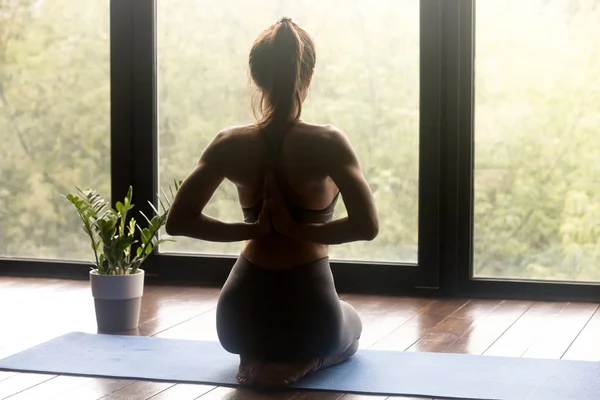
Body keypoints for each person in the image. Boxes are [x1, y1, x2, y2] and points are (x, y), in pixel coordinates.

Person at [165, 17, 379, 387]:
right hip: (311, 316)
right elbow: (367, 225)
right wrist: (299, 229)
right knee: (353, 325)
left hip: (236, 321)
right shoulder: (330, 142)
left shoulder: (229, 142)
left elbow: (178, 220)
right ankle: (305, 362)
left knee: (291, 328)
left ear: (256, 76)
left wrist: (252, 229)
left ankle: (257, 356)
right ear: (307, 77)